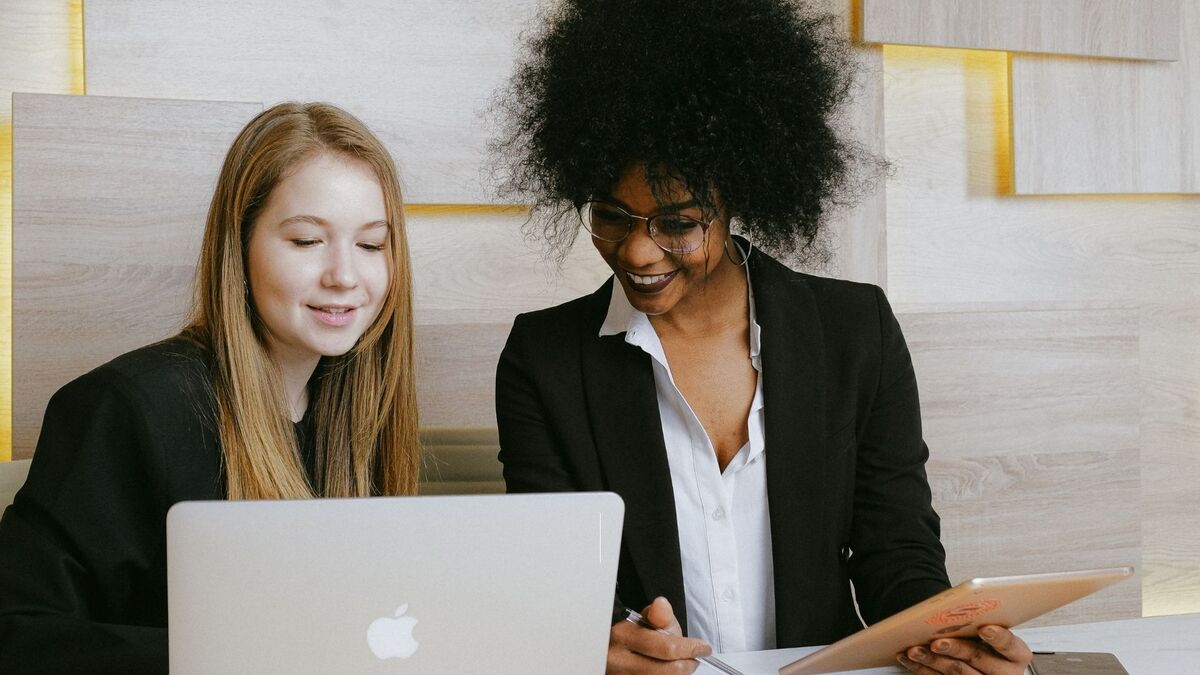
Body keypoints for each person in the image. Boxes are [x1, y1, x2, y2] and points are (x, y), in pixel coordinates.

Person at [491, 1, 1033, 673]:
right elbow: (553, 582)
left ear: (741, 192)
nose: (636, 251)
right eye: (611, 216)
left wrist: (951, 641)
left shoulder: (853, 332)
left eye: (677, 222)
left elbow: (897, 553)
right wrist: (597, 642)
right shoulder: (542, 359)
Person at [0, 102, 421, 674]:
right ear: (238, 245)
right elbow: (18, 636)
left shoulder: (356, 406)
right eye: (305, 241)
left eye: (371, 245)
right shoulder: (128, 407)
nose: (345, 275)